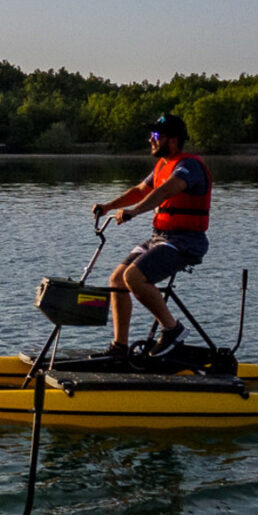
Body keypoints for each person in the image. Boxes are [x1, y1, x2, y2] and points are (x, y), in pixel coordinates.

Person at [90, 112, 211, 360]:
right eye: (151, 135)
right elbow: (139, 191)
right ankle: (120, 349)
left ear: (173, 140)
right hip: (161, 237)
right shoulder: (162, 166)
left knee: (134, 276)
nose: (150, 140)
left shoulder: (189, 166)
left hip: (185, 241)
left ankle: (172, 330)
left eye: (156, 135)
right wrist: (108, 206)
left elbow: (166, 191)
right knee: (117, 279)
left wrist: (133, 213)